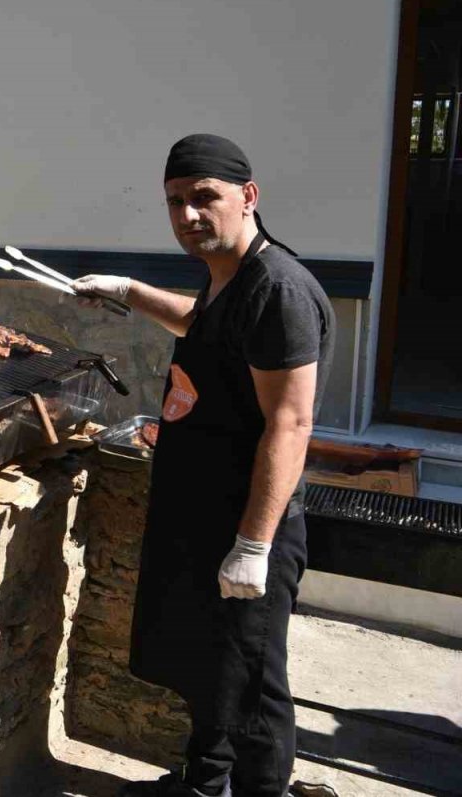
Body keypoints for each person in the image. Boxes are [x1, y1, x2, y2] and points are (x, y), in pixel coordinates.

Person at [73, 134, 334, 797]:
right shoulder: (228, 273)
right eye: (175, 202)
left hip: (248, 522)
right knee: (210, 668)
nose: (188, 215)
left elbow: (291, 421)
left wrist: (253, 545)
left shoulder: (278, 288)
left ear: (248, 196)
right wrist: (128, 290)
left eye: (203, 198)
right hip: (205, 511)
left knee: (250, 680)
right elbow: (203, 323)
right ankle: (206, 780)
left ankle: (257, 790)